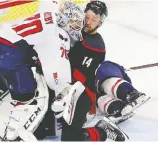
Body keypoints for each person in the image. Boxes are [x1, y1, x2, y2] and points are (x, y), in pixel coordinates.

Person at [0, 1, 85, 141]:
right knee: (29, 97)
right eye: (75, 22)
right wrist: (62, 89)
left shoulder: (47, 15)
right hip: (7, 56)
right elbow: (54, 68)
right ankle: (13, 135)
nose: (77, 27)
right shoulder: (59, 34)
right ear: (66, 19)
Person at [52, 1, 126, 141]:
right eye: (88, 16)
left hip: (81, 93)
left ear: (100, 23)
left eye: (94, 19)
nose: (88, 21)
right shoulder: (74, 28)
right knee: (42, 133)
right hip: (61, 86)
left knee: (70, 139)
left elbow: (78, 75)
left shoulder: (95, 46)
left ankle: (102, 131)